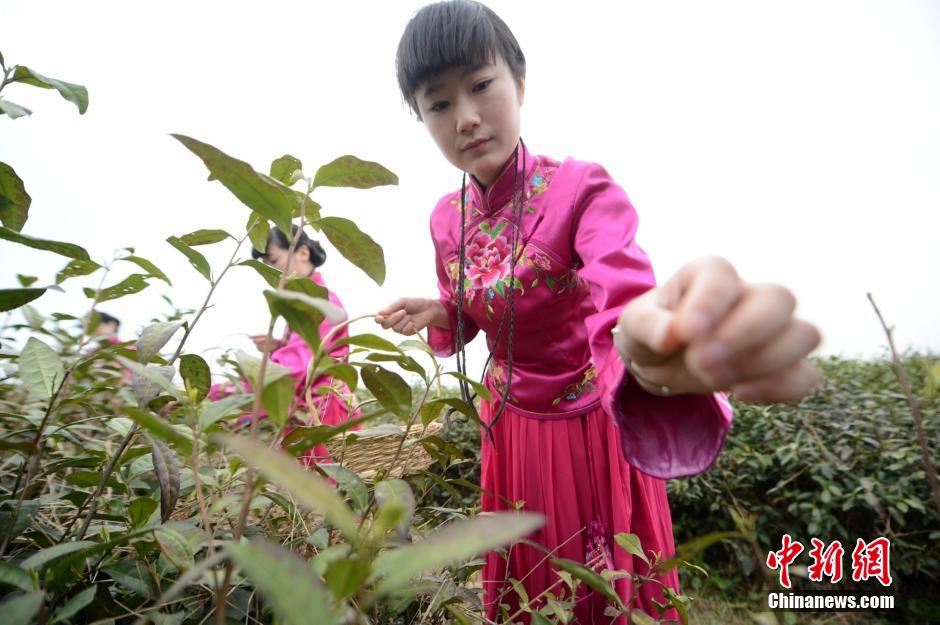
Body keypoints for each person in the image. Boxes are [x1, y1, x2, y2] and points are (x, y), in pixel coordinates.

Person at [376, 1, 821, 622]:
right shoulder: (445, 219)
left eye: (481, 86)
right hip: (509, 426)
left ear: (520, 83)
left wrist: (649, 343)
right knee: (527, 586)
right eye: (439, 104)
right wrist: (442, 310)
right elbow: (483, 314)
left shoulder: (581, 189)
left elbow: (623, 297)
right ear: (420, 117)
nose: (467, 118)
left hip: (585, 426)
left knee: (597, 584)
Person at [211, 225, 359, 466]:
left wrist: (218, 393)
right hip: (307, 414)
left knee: (319, 494)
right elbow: (311, 352)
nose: (269, 270)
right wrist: (281, 345)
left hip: (323, 415)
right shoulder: (305, 303)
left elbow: (290, 371)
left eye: (273, 260)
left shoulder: (320, 303)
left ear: (302, 252)